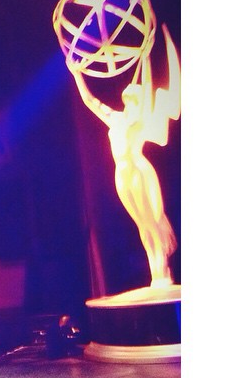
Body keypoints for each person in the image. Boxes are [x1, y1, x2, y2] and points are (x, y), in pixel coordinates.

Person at [68, 24, 180, 288]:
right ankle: (157, 271)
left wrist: (146, 55)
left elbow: (149, 82)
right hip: (123, 173)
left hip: (140, 170)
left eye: (134, 95)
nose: (130, 97)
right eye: (129, 96)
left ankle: (161, 271)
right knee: (141, 223)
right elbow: (89, 101)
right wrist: (76, 74)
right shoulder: (115, 119)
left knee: (152, 221)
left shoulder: (140, 121)